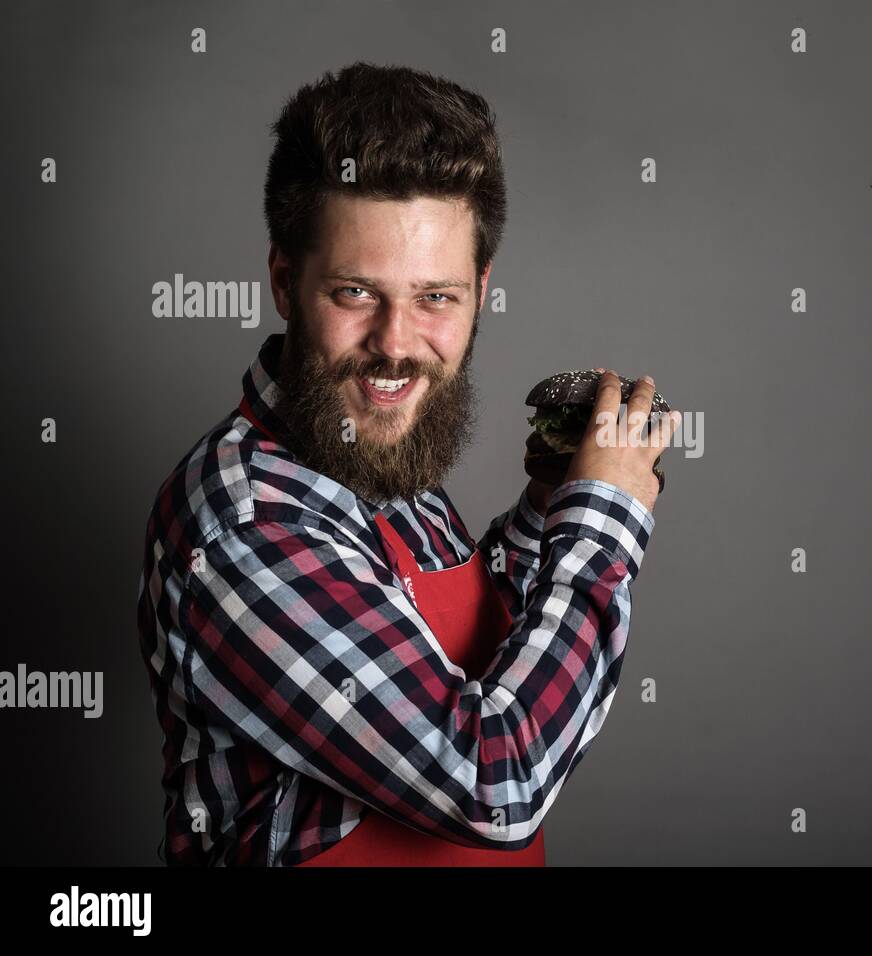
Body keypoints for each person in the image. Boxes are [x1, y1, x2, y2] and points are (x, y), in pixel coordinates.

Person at [135, 62, 678, 866]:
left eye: (436, 298)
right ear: (286, 281)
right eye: (356, 293)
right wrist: (603, 521)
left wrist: (548, 505)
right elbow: (496, 780)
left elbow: (456, 654)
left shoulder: (381, 462)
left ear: (480, 292)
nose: (396, 343)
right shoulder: (248, 525)